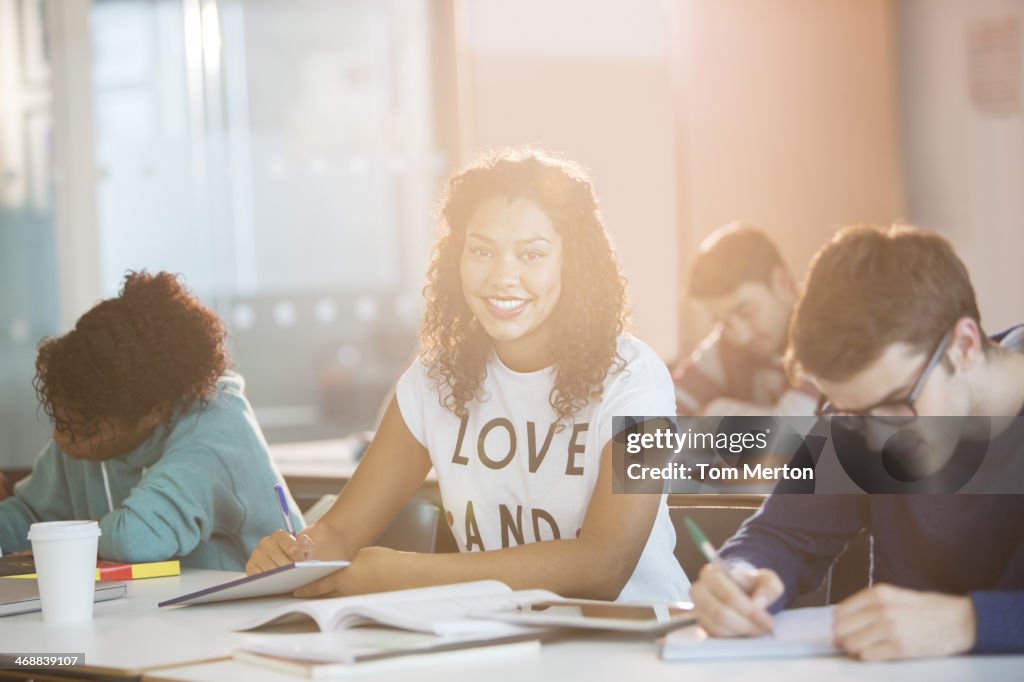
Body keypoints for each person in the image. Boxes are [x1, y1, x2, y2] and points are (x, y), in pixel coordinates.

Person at [246, 148, 690, 603]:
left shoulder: (634, 378)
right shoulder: (434, 379)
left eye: (532, 254)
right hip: (503, 641)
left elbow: (603, 565)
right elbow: (340, 532)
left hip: (637, 646)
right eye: (482, 251)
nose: (503, 276)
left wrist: (401, 574)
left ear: (572, 263)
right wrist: (297, 555)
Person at [689, 224, 1024, 659]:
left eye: (894, 403)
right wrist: (740, 577)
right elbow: (781, 534)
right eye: (848, 413)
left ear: (963, 345)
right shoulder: (863, 416)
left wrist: (969, 622)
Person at [0, 271, 302, 570]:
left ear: (153, 413)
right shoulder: (86, 434)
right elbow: (28, 517)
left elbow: (135, 539)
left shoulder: (217, 429)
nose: (60, 439)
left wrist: (63, 538)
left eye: (82, 431)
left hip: (258, 609)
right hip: (152, 611)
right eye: (60, 422)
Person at [673, 222, 817, 416]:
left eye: (745, 312)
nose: (740, 335)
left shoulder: (826, 337)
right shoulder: (726, 343)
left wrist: (716, 414)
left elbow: (792, 434)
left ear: (782, 283)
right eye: (723, 322)